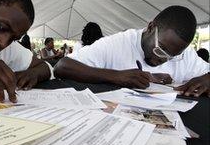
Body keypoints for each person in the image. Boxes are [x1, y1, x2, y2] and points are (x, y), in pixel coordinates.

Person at [54, 6, 210, 97]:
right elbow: (62, 66)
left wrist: (207, 79)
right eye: (161, 49)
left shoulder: (186, 55)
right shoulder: (118, 43)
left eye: (173, 56)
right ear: (150, 27)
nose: (164, 59)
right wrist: (116, 76)